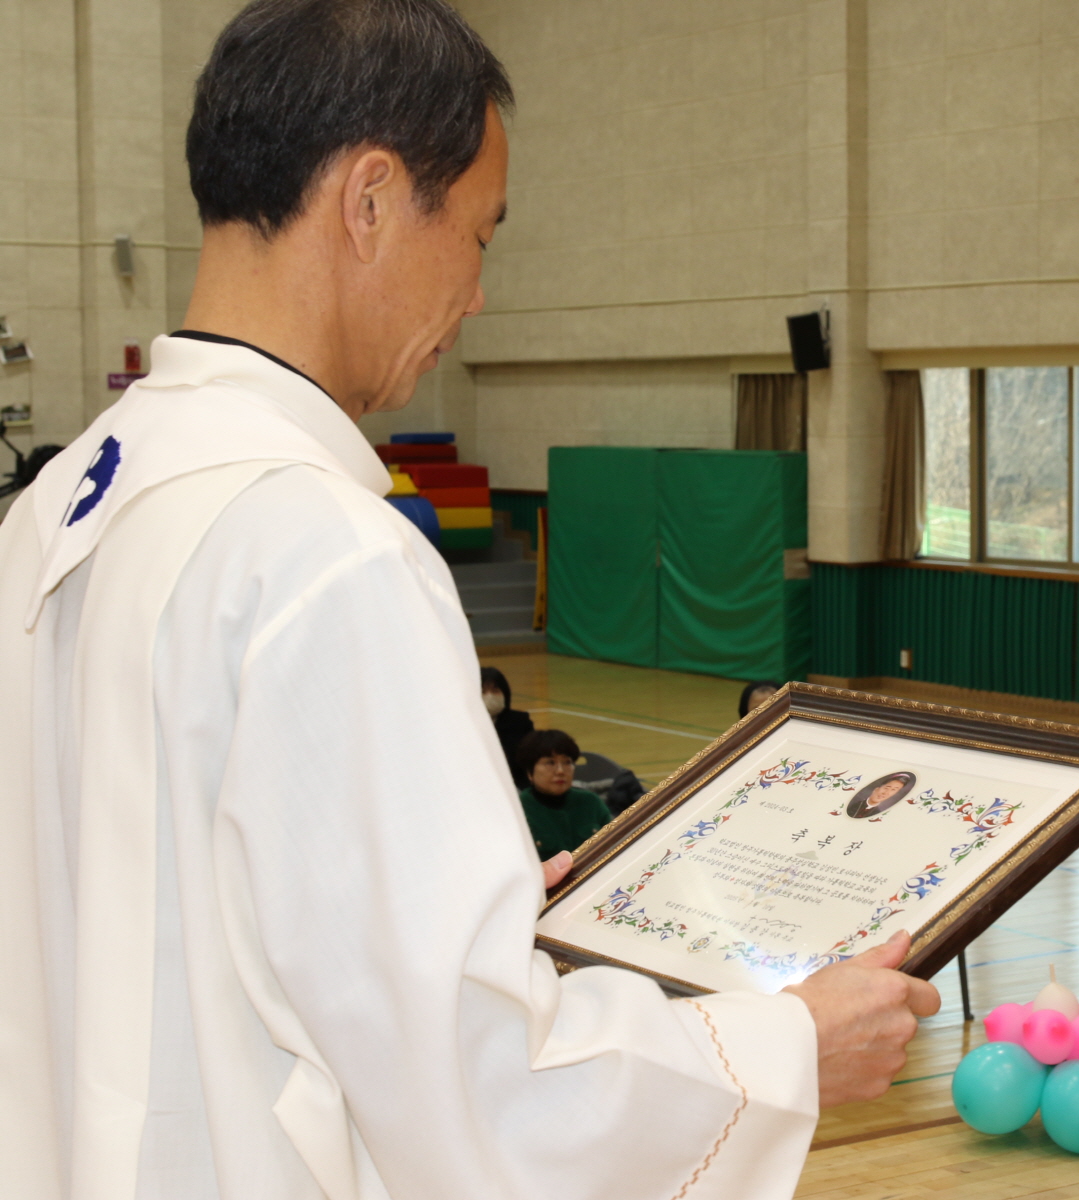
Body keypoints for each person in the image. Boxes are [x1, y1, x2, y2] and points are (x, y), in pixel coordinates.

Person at [0, 4, 937, 1198]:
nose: (479, 295)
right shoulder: (325, 552)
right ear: (374, 201)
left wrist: (460, 903)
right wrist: (790, 1047)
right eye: (483, 235)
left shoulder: (65, 500)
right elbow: (480, 1098)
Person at [516, 728, 612, 858]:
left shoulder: (591, 802)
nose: (560, 771)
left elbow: (614, 845)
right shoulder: (518, 812)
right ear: (529, 772)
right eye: (550, 763)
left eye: (567, 762)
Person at [482, 663, 534, 784]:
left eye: (495, 690)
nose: (489, 696)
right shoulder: (466, 724)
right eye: (483, 691)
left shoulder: (520, 721)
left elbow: (530, 759)